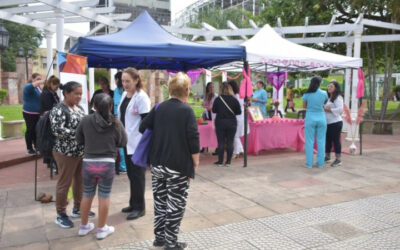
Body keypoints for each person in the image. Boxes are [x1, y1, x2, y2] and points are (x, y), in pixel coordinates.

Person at [139, 72, 199, 250]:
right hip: (178, 166)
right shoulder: (187, 110)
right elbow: (193, 138)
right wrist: (195, 162)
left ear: (170, 89)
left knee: (160, 201)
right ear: (187, 91)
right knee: (176, 204)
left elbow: (143, 127)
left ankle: (159, 238)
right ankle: (171, 243)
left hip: (157, 163)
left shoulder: (159, 107)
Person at [76, 93, 127, 240]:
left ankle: (84, 227)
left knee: (87, 195)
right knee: (104, 196)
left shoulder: (85, 120)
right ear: (111, 106)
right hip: (107, 164)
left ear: (94, 106)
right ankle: (101, 228)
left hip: (88, 163)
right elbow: (123, 142)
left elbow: (78, 138)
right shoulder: (116, 123)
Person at [50, 81, 95, 228]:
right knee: (65, 183)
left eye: (81, 94)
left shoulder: (79, 108)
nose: (79, 96)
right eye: (76, 93)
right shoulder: (58, 109)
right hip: (65, 153)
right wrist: (79, 134)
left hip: (80, 152)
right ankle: (61, 214)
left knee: (80, 181)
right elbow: (58, 130)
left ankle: (78, 208)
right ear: (67, 93)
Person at [118, 67, 150, 220]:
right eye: (123, 81)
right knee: (131, 175)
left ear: (136, 80)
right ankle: (133, 203)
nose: (125, 84)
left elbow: (146, 122)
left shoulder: (142, 97)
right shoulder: (125, 94)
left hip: (137, 143)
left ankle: (140, 207)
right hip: (126, 141)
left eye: (128, 81)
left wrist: (141, 140)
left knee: (138, 176)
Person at [212, 82, 241, 167]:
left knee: (220, 142)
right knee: (230, 142)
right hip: (232, 122)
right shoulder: (234, 99)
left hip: (220, 122)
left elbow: (214, 110)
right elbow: (238, 112)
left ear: (221, 89)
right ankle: (228, 162)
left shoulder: (218, 99)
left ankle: (220, 161)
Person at [302, 77, 328, 168]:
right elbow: (324, 103)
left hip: (310, 118)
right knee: (321, 141)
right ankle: (320, 163)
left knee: (309, 141)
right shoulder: (324, 93)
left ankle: (309, 163)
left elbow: (304, 107)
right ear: (319, 83)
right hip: (321, 117)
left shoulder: (306, 94)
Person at [39, 75, 60, 172]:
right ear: (50, 84)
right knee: (49, 141)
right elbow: (48, 108)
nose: (56, 86)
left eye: (57, 85)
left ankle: (51, 162)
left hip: (53, 118)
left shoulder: (54, 94)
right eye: (54, 84)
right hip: (47, 120)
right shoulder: (46, 94)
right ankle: (50, 161)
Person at [324, 81, 344, 167]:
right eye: (328, 86)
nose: (329, 88)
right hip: (328, 123)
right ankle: (327, 156)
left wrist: (329, 110)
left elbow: (340, 110)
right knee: (328, 140)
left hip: (336, 123)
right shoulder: (329, 98)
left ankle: (338, 159)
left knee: (336, 141)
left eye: (331, 86)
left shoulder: (338, 97)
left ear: (336, 88)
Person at [22, 73, 43, 155]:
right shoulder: (28, 86)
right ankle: (29, 148)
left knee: (37, 130)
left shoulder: (38, 88)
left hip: (37, 113)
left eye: (40, 79)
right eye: (38, 79)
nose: (39, 81)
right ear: (33, 79)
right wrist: (42, 81)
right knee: (30, 130)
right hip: (29, 113)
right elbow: (32, 85)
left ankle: (37, 146)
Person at [228, 80, 246, 158]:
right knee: (236, 135)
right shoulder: (240, 95)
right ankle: (241, 150)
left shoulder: (234, 97)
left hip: (236, 118)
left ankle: (236, 152)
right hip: (241, 117)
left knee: (234, 135)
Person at [113, 71, 127, 174]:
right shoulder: (120, 91)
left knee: (121, 144)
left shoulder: (119, 91)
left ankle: (123, 166)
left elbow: (116, 106)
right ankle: (123, 166)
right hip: (121, 120)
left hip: (119, 121)